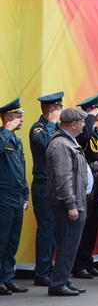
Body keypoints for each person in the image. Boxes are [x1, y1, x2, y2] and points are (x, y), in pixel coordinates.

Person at [45, 107, 89, 296]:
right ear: (74, 124)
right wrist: (71, 205)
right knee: (67, 244)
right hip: (68, 203)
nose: (84, 125)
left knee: (70, 244)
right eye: (82, 122)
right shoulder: (61, 144)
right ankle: (58, 284)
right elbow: (63, 178)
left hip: (75, 201)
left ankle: (64, 279)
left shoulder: (68, 142)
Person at [29, 92, 63, 287]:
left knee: (55, 229)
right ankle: (41, 272)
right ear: (52, 110)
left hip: (56, 184)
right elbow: (44, 144)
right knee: (47, 229)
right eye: (59, 108)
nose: (61, 112)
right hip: (43, 185)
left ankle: (48, 268)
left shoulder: (56, 127)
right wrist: (51, 123)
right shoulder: (39, 128)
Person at [73, 93, 98, 279]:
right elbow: (85, 138)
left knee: (93, 224)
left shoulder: (96, 130)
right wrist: (88, 116)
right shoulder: (85, 131)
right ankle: (78, 264)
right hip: (87, 185)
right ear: (89, 111)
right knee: (85, 225)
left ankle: (87, 261)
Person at [0, 99, 29, 295]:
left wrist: (25, 194)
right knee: (1, 240)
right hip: (3, 196)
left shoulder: (16, 141)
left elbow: (21, 169)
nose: (22, 120)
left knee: (12, 241)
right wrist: (6, 131)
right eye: (19, 117)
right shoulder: (3, 137)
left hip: (17, 196)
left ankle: (8, 278)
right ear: (8, 119)